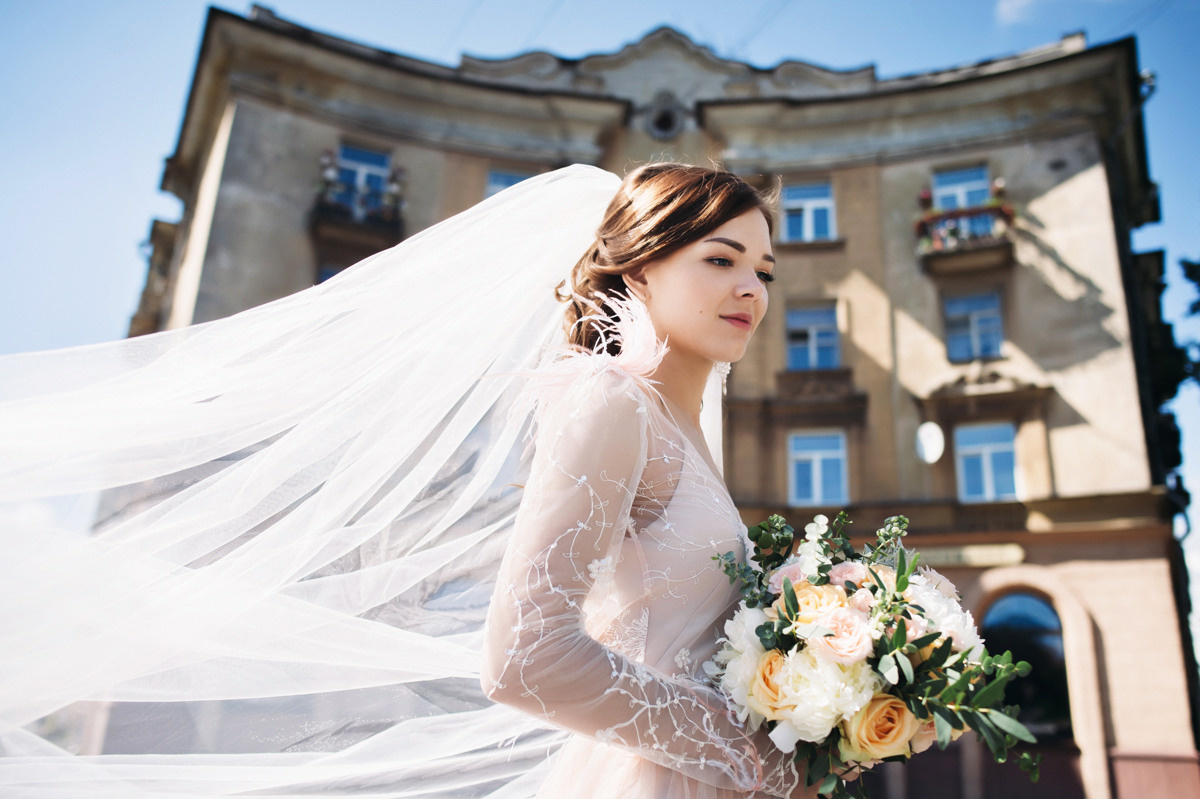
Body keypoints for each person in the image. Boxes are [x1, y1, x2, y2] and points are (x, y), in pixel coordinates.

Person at [0, 162, 811, 798]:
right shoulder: (610, 405)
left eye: (765, 270)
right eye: (721, 258)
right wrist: (742, 748)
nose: (752, 288)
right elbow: (525, 656)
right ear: (639, 270)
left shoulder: (689, 437)